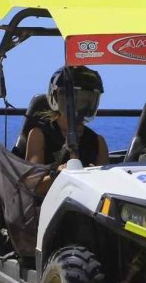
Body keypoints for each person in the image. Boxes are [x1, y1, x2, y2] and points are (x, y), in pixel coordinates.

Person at [24, 66, 109, 195]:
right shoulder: (39, 135)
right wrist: (57, 175)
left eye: (88, 99)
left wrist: (94, 177)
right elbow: (32, 186)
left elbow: (106, 188)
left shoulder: (98, 141)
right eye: (78, 99)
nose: (83, 106)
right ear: (58, 97)